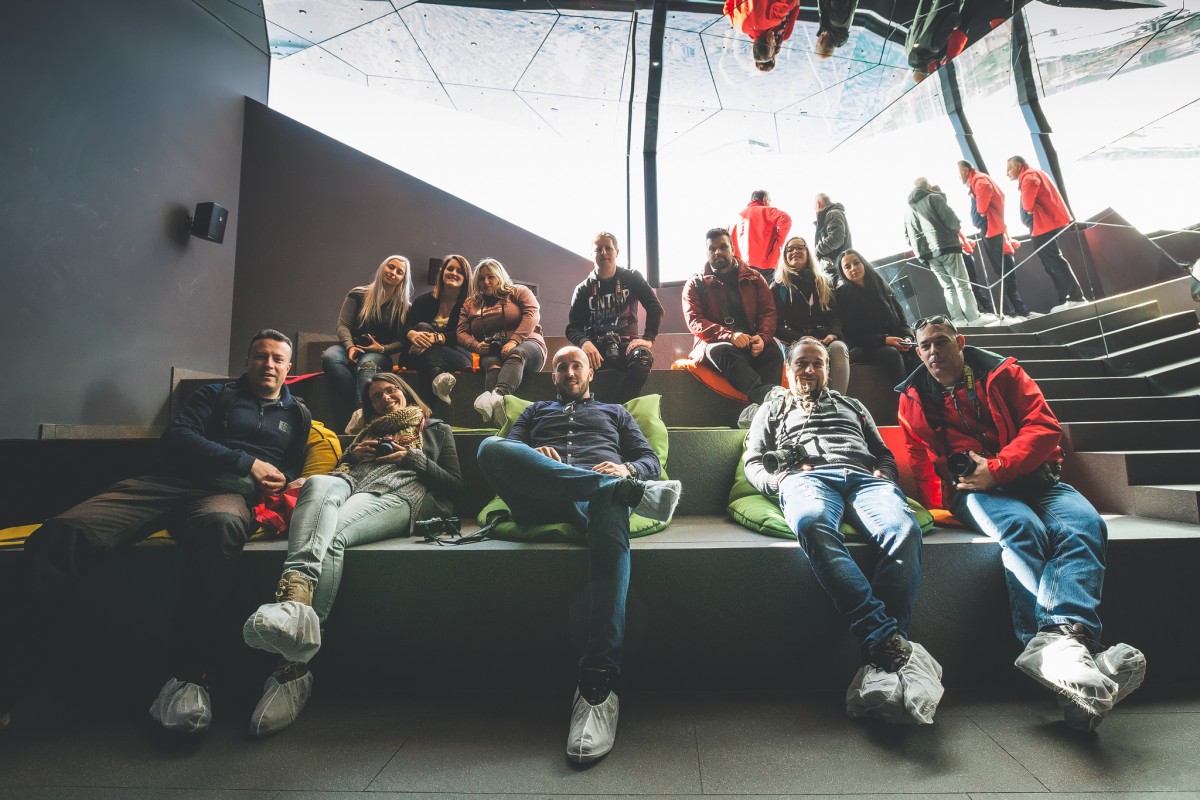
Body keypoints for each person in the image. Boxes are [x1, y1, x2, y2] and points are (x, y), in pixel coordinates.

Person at [3, 331, 311, 733]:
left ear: (289, 367)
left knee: (221, 528)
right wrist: (246, 461)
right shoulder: (216, 395)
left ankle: (189, 678)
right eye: (260, 356)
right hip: (166, 484)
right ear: (247, 361)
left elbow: (290, 464)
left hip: (225, 497)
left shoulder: (298, 414)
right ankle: (10, 680)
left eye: (277, 359)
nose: (268, 364)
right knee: (63, 531)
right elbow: (179, 436)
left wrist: (286, 479)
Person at [897, 315, 1146, 730]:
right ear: (917, 352)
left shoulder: (1003, 373)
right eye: (925, 346)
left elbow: (1044, 426)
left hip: (1037, 479)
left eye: (941, 342)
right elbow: (918, 455)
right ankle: (1072, 660)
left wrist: (996, 468)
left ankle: (1060, 646)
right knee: (1023, 529)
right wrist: (940, 506)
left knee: (1086, 524)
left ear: (960, 341)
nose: (933, 352)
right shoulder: (913, 396)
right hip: (975, 492)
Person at [475, 346, 682, 763]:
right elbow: (509, 452)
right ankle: (620, 492)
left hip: (598, 497)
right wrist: (534, 455)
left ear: (590, 373)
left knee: (610, 509)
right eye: (561, 367)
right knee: (488, 448)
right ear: (553, 377)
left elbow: (647, 459)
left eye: (576, 366)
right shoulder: (535, 412)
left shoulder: (616, 413)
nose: (569, 372)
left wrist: (627, 470)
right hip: (541, 494)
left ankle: (597, 683)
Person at [242, 372, 461, 736]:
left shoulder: (435, 428)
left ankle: (292, 667)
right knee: (318, 482)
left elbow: (455, 485)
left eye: (391, 391)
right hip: (350, 484)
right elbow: (341, 472)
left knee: (331, 536)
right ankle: (294, 603)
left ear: (405, 393)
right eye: (376, 397)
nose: (385, 398)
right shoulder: (366, 435)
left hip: (399, 493)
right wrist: (352, 454)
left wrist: (412, 458)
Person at [744, 339, 943, 723]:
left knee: (904, 530)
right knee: (812, 524)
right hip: (807, 480)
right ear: (788, 368)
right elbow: (754, 461)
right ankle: (887, 641)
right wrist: (778, 480)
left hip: (865, 480)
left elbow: (883, 453)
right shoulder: (772, 408)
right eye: (801, 363)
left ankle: (882, 658)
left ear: (827, 370)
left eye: (817, 363)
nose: (809, 370)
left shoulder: (853, 405)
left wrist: (885, 475)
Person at [683, 227, 782, 427]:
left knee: (773, 352)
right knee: (722, 351)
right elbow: (695, 320)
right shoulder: (695, 283)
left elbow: (768, 312)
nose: (717, 252)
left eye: (723, 247)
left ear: (732, 248)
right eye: (712, 249)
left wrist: (762, 337)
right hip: (715, 344)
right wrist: (729, 335)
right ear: (707, 253)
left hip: (751, 341)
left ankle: (759, 410)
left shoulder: (755, 278)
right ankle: (766, 397)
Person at [566, 232, 664, 404]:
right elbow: (572, 327)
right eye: (598, 249)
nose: (603, 252)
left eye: (608, 248)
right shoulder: (583, 289)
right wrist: (584, 343)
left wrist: (648, 338)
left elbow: (655, 308)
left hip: (626, 344)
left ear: (616, 252)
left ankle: (622, 409)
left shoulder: (632, 278)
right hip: (595, 348)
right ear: (591, 253)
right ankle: (586, 411)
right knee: (573, 365)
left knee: (642, 357)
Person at [322, 255, 413, 428]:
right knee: (329, 357)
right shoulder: (358, 294)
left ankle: (364, 419)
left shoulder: (404, 307)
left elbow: (404, 341)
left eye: (399, 272)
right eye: (391, 267)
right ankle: (361, 410)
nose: (393, 272)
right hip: (350, 347)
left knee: (367, 364)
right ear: (382, 267)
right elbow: (343, 326)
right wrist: (349, 346)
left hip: (378, 354)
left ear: (403, 279)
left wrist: (383, 349)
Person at [458, 258, 547, 427]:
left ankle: (496, 397)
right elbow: (461, 332)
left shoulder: (518, 291)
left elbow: (532, 315)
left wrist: (514, 340)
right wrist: (476, 346)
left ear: (499, 276)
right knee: (491, 363)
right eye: (481, 278)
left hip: (528, 345)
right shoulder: (471, 304)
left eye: (490, 277)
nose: (486, 282)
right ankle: (497, 420)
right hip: (491, 351)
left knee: (517, 353)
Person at [904, 177, 996, 327]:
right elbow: (953, 223)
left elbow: (908, 237)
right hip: (946, 246)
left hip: (928, 254)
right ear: (927, 186)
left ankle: (958, 320)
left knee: (948, 286)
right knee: (962, 284)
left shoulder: (908, 210)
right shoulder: (934, 198)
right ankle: (973, 319)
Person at [772, 236, 850, 395]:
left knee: (839, 348)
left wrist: (833, 334)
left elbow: (834, 316)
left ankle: (836, 400)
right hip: (796, 341)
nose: (795, 251)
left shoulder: (824, 282)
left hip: (824, 338)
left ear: (808, 252)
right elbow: (776, 327)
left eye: (800, 248)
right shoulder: (778, 287)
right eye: (789, 249)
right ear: (784, 256)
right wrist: (801, 338)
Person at [1006, 156, 1085, 312]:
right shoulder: (1035, 173)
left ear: (1019, 166)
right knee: (1052, 263)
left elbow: (1030, 193)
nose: (1007, 173)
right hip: (1043, 226)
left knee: (1054, 263)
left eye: (1009, 169)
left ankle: (1075, 298)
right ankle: (1068, 298)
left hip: (1043, 226)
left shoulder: (1029, 176)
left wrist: (1028, 208)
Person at [958, 161, 1031, 319]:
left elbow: (986, 188)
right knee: (1005, 275)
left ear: (965, 170)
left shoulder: (979, 180)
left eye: (959, 173)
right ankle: (1016, 311)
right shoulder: (979, 180)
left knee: (1005, 275)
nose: (959, 177)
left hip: (991, 231)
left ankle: (1016, 311)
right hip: (991, 231)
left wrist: (981, 211)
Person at [836, 249, 920, 386]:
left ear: (863, 264)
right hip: (864, 347)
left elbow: (902, 321)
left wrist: (907, 338)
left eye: (856, 263)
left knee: (915, 348)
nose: (853, 268)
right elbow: (854, 337)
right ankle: (905, 394)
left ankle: (925, 392)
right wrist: (885, 340)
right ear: (843, 272)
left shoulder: (880, 285)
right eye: (847, 266)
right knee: (891, 353)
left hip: (893, 340)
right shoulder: (843, 296)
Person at [403, 254, 474, 409]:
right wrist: (411, 334)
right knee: (422, 327)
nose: (453, 273)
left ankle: (424, 412)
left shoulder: (469, 306)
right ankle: (437, 376)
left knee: (426, 356)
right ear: (442, 272)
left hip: (456, 354)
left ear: (466, 278)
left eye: (459, 271)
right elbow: (405, 326)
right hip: (416, 353)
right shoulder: (423, 300)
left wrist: (437, 338)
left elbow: (463, 335)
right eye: (450, 269)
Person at [730, 189, 793, 282]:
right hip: (766, 265)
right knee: (767, 291)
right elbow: (786, 219)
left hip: (741, 268)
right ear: (765, 200)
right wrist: (779, 242)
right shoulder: (766, 210)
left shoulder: (735, 219)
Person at [723, 0, 800, 71]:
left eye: (773, 45)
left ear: (768, 40)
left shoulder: (774, 19)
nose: (775, 43)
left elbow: (794, 3)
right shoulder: (739, 27)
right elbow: (727, 8)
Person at [814, 193, 853, 284]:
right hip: (838, 267)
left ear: (817, 204)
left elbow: (836, 239)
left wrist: (817, 251)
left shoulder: (832, 214)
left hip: (838, 268)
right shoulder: (832, 214)